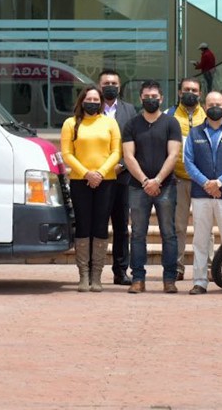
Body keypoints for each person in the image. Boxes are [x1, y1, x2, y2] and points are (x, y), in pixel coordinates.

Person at [121, 81, 182, 294]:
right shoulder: (131, 124)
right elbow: (128, 156)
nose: (150, 100)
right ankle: (138, 279)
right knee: (138, 233)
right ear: (140, 98)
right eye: (146, 96)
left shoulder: (171, 123)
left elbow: (173, 154)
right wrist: (146, 181)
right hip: (138, 187)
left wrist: (157, 180)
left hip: (166, 186)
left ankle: (169, 279)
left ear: (161, 98)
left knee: (169, 233)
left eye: (154, 96)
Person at [184, 91, 222, 296]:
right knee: (200, 240)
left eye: (218, 104)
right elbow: (189, 163)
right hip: (201, 194)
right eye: (210, 104)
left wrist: (219, 182)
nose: (214, 108)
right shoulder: (195, 133)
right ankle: (200, 281)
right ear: (204, 107)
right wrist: (206, 183)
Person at [61, 85, 121, 292]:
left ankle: (97, 276)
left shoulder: (110, 123)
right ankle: (83, 275)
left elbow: (116, 152)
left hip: (106, 181)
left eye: (96, 100)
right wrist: (86, 173)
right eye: (89, 99)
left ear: (101, 102)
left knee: (101, 226)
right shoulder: (70, 123)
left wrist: (100, 173)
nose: (93, 103)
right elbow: (67, 153)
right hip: (80, 181)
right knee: (83, 225)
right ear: (82, 101)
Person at [99, 69, 137, 286]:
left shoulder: (129, 110)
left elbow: (134, 140)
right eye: (106, 83)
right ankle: (93, 271)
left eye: (114, 83)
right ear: (99, 85)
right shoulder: (91, 107)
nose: (110, 86)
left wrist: (121, 164)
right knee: (98, 226)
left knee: (121, 227)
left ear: (120, 86)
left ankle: (120, 271)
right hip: (97, 178)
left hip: (122, 177)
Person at [171, 78, 206, 282]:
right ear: (179, 93)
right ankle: (177, 266)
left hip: (202, 181)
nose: (190, 93)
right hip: (178, 179)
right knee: (178, 226)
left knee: (205, 227)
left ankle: (207, 266)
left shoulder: (207, 115)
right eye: (186, 90)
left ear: (200, 94)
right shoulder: (170, 115)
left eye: (194, 90)